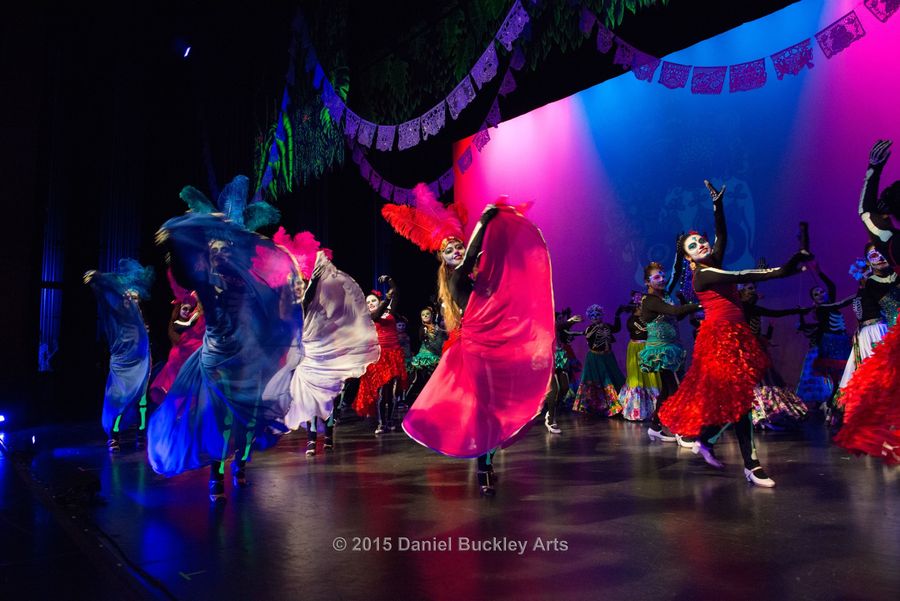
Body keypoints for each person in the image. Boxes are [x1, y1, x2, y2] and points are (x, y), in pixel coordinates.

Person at [382, 185, 554, 495]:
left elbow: (485, 262)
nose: (457, 252)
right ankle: (484, 463)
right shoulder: (455, 276)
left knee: (490, 405)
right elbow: (473, 254)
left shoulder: (472, 276)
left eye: (458, 247)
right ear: (442, 259)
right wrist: (483, 222)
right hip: (474, 347)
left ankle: (486, 458)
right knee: (482, 407)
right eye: (450, 251)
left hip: (487, 340)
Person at [147, 175, 294, 503]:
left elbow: (268, 301)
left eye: (225, 245)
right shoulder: (203, 279)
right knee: (215, 415)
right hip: (215, 353)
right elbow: (186, 268)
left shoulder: (246, 278)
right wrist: (173, 237)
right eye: (215, 246)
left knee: (248, 413)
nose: (220, 250)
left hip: (248, 352)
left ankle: (240, 464)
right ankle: (216, 476)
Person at [658, 180, 811, 487]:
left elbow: (723, 235)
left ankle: (709, 440)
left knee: (739, 398)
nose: (701, 244)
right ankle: (748, 462)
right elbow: (741, 275)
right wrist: (781, 271)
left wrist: (717, 206)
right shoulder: (704, 273)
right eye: (693, 246)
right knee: (738, 398)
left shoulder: (712, 259)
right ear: (688, 259)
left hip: (737, 334)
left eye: (701, 240)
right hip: (719, 338)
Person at [832, 139, 900, 463]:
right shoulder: (884, 254)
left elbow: (865, 212)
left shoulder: (891, 240)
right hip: (878, 332)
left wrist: (873, 171)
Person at [84, 259, 154, 452]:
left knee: (141, 396)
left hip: (141, 359)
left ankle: (141, 431)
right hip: (122, 360)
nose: (131, 301)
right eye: (128, 297)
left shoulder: (140, 317)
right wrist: (96, 279)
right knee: (117, 396)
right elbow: (104, 295)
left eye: (134, 298)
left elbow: (145, 338)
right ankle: (114, 434)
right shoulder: (115, 314)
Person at [638, 262, 701, 442]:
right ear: (647, 282)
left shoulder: (665, 296)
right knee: (676, 390)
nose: (662, 279)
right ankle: (681, 431)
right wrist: (699, 305)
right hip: (661, 352)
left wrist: (684, 303)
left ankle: (655, 426)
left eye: (663, 276)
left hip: (673, 348)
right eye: (657, 277)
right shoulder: (650, 300)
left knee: (667, 390)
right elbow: (673, 311)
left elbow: (677, 315)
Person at [353, 277, 408, 434]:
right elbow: (377, 315)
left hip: (394, 354)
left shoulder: (390, 312)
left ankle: (389, 420)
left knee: (390, 391)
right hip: (380, 356)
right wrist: (386, 300)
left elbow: (396, 293)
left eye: (373, 301)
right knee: (382, 390)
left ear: (378, 300)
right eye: (367, 302)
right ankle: (381, 423)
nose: (370, 304)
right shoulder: (369, 316)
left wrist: (390, 281)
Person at [149, 269, 205, 405]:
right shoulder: (178, 323)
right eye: (184, 308)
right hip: (179, 361)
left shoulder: (197, 318)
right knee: (178, 393)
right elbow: (186, 322)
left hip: (195, 360)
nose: (187, 311)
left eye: (189, 309)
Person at [572, 304, 626, 416]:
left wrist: (617, 315)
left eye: (598, 315)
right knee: (598, 381)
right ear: (590, 317)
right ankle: (593, 406)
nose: (595, 317)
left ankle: (616, 405)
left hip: (608, 357)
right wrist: (595, 328)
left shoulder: (606, 326)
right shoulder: (590, 329)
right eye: (593, 316)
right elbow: (588, 336)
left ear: (602, 315)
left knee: (613, 378)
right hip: (595, 358)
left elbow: (616, 328)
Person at [618, 294, 661, 422]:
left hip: (648, 347)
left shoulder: (646, 318)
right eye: (642, 306)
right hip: (637, 348)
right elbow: (643, 329)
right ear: (637, 306)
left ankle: (656, 408)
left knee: (651, 375)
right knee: (638, 376)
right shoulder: (632, 320)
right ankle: (637, 409)